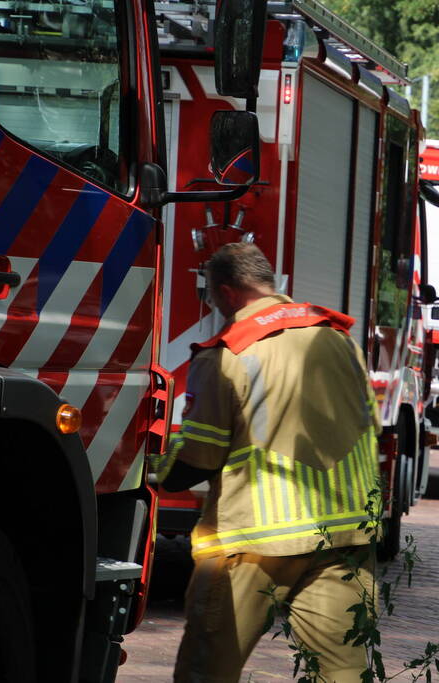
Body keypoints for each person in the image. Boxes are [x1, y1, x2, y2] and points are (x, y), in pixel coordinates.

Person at [151, 242, 381, 683]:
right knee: (342, 673)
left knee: (207, 666)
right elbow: (366, 420)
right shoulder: (338, 338)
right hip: (344, 534)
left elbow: (201, 457)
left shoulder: (226, 354)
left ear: (228, 292)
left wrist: (153, 470)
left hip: (254, 543)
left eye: (211, 296)